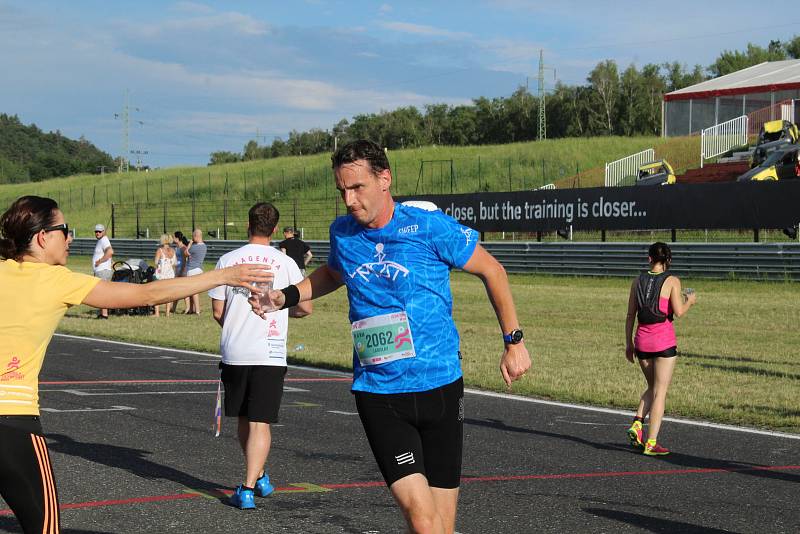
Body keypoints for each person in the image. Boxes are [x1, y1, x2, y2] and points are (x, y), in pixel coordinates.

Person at [253, 140, 530, 534]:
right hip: (380, 393)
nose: (348, 200)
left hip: (441, 387)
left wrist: (513, 341)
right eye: (342, 190)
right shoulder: (343, 234)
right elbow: (333, 273)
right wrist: (287, 295)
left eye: (357, 188)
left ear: (385, 179)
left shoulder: (429, 227)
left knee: (441, 525)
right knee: (422, 520)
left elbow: (493, 271)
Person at [0, 195, 270, 533]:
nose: (70, 238)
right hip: (13, 423)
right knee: (45, 527)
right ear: (42, 237)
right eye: (64, 230)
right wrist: (222, 276)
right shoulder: (58, 280)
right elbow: (147, 295)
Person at [210, 202, 311, 510]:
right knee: (260, 422)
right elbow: (305, 307)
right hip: (270, 350)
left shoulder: (228, 259)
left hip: (235, 349)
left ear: (247, 224)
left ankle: (256, 477)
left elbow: (217, 311)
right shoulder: (286, 263)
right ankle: (250, 485)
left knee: (243, 418)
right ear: (276, 229)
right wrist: (282, 315)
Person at [625, 242, 697, 456]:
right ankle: (652, 442)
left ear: (649, 259)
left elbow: (630, 315)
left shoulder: (637, 281)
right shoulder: (672, 280)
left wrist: (629, 344)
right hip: (663, 341)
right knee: (660, 392)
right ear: (668, 260)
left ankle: (637, 423)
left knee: (653, 386)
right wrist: (690, 301)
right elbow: (679, 311)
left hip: (642, 340)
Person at [92, 223, 113, 319]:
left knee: (102, 293)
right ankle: (103, 313)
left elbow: (110, 252)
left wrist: (100, 261)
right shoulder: (102, 240)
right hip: (102, 270)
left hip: (102, 271)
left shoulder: (104, 240)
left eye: (99, 231)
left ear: (104, 232)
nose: (97, 233)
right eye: (96, 231)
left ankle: (104, 314)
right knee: (102, 292)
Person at [153, 234, 178, 317]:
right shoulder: (173, 251)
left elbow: (156, 262)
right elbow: (175, 263)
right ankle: (167, 313)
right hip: (170, 274)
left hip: (161, 275)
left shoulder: (160, 250)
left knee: (157, 294)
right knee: (168, 294)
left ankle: (157, 313)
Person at [185, 228, 208, 314]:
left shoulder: (194, 247)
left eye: (193, 236)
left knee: (193, 291)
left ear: (196, 236)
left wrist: (190, 244)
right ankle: (192, 309)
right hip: (199, 269)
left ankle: (197, 310)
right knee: (193, 291)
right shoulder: (204, 246)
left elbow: (186, 253)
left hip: (192, 269)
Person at [171, 231, 190, 313]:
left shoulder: (183, 248)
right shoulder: (177, 247)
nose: (172, 238)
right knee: (176, 290)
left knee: (184, 290)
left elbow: (185, 261)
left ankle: (188, 308)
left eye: (173, 237)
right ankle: (173, 308)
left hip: (183, 271)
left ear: (177, 238)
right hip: (177, 270)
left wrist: (182, 271)